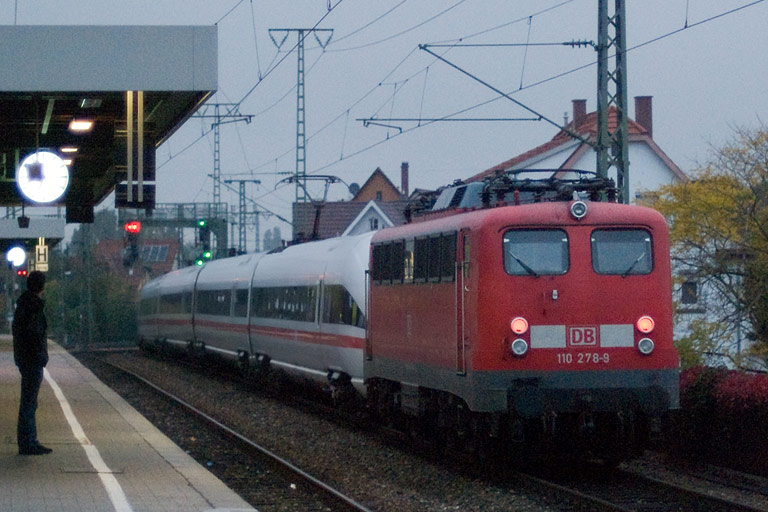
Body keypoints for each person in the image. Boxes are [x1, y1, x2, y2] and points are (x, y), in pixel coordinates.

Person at [12, 270, 52, 455]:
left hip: (26, 359)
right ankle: (28, 443)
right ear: (41, 287)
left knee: (29, 402)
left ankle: (30, 440)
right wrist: (40, 355)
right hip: (32, 360)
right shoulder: (33, 307)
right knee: (29, 402)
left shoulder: (23, 305)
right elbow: (34, 334)